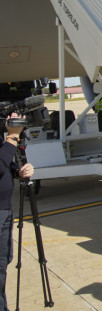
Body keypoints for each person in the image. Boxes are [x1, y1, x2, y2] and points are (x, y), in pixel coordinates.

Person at [1, 117, 35, 311]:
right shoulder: (9, 138)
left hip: (4, 212)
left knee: (3, 265)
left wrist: (18, 172)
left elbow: (4, 164)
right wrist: (13, 137)